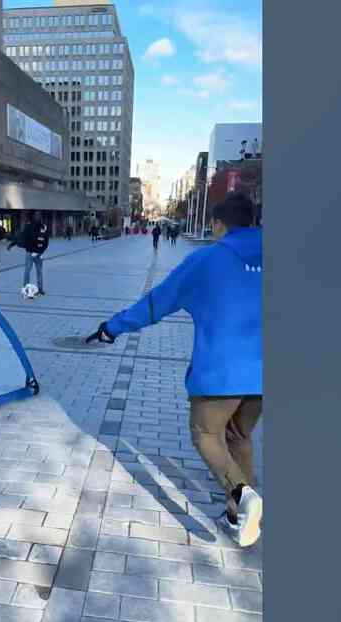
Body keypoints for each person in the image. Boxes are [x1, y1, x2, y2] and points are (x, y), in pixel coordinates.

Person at [86, 191, 263, 547]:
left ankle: (244, 497)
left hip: (221, 373)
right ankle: (240, 516)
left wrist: (112, 328)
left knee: (206, 435)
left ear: (217, 224)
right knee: (240, 436)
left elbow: (157, 303)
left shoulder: (207, 260)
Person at [8, 211, 49, 297]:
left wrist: (41, 252)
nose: (38, 217)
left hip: (38, 254)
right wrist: (13, 243)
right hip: (30, 253)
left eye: (39, 215)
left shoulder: (43, 227)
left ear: (41, 217)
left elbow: (46, 241)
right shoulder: (29, 226)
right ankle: (25, 288)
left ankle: (40, 289)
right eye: (36, 215)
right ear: (34, 217)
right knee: (27, 271)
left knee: (39, 272)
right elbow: (21, 236)